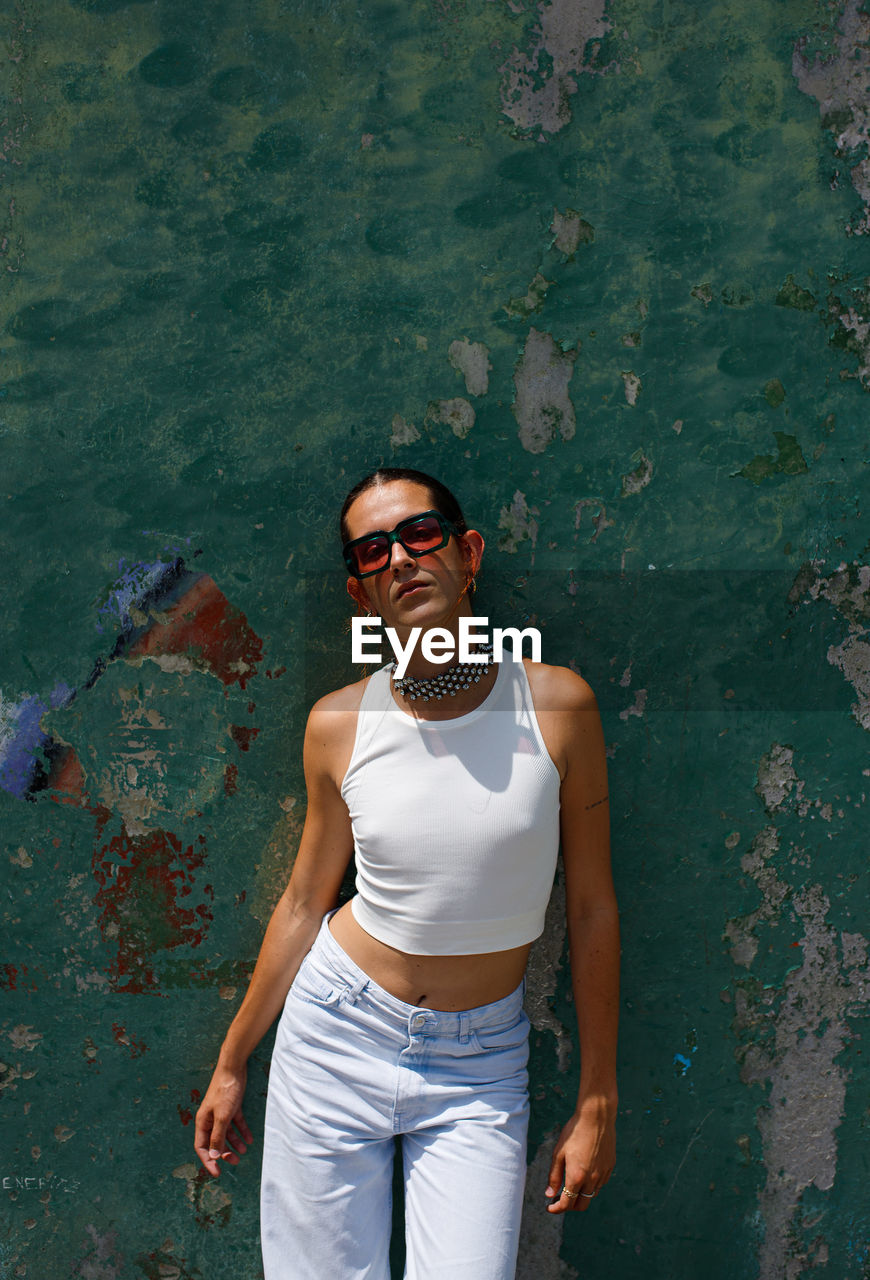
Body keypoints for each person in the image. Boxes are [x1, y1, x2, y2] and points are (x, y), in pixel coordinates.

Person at [194, 467, 619, 1279]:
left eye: (421, 535)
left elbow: (595, 908)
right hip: (336, 1037)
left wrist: (596, 1099)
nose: (400, 558)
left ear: (467, 554)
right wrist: (233, 1058)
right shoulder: (339, 724)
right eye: (372, 550)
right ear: (361, 594)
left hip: (481, 1066)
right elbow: (302, 902)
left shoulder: (558, 707)